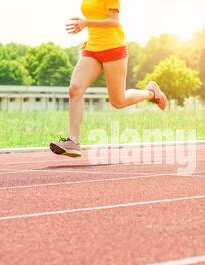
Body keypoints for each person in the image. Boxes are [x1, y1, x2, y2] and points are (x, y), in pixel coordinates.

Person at [50, 0, 168, 158]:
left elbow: (114, 22)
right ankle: (74, 141)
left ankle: (151, 93)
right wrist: (90, 32)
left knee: (118, 102)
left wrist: (86, 23)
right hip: (92, 48)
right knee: (75, 89)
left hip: (113, 49)